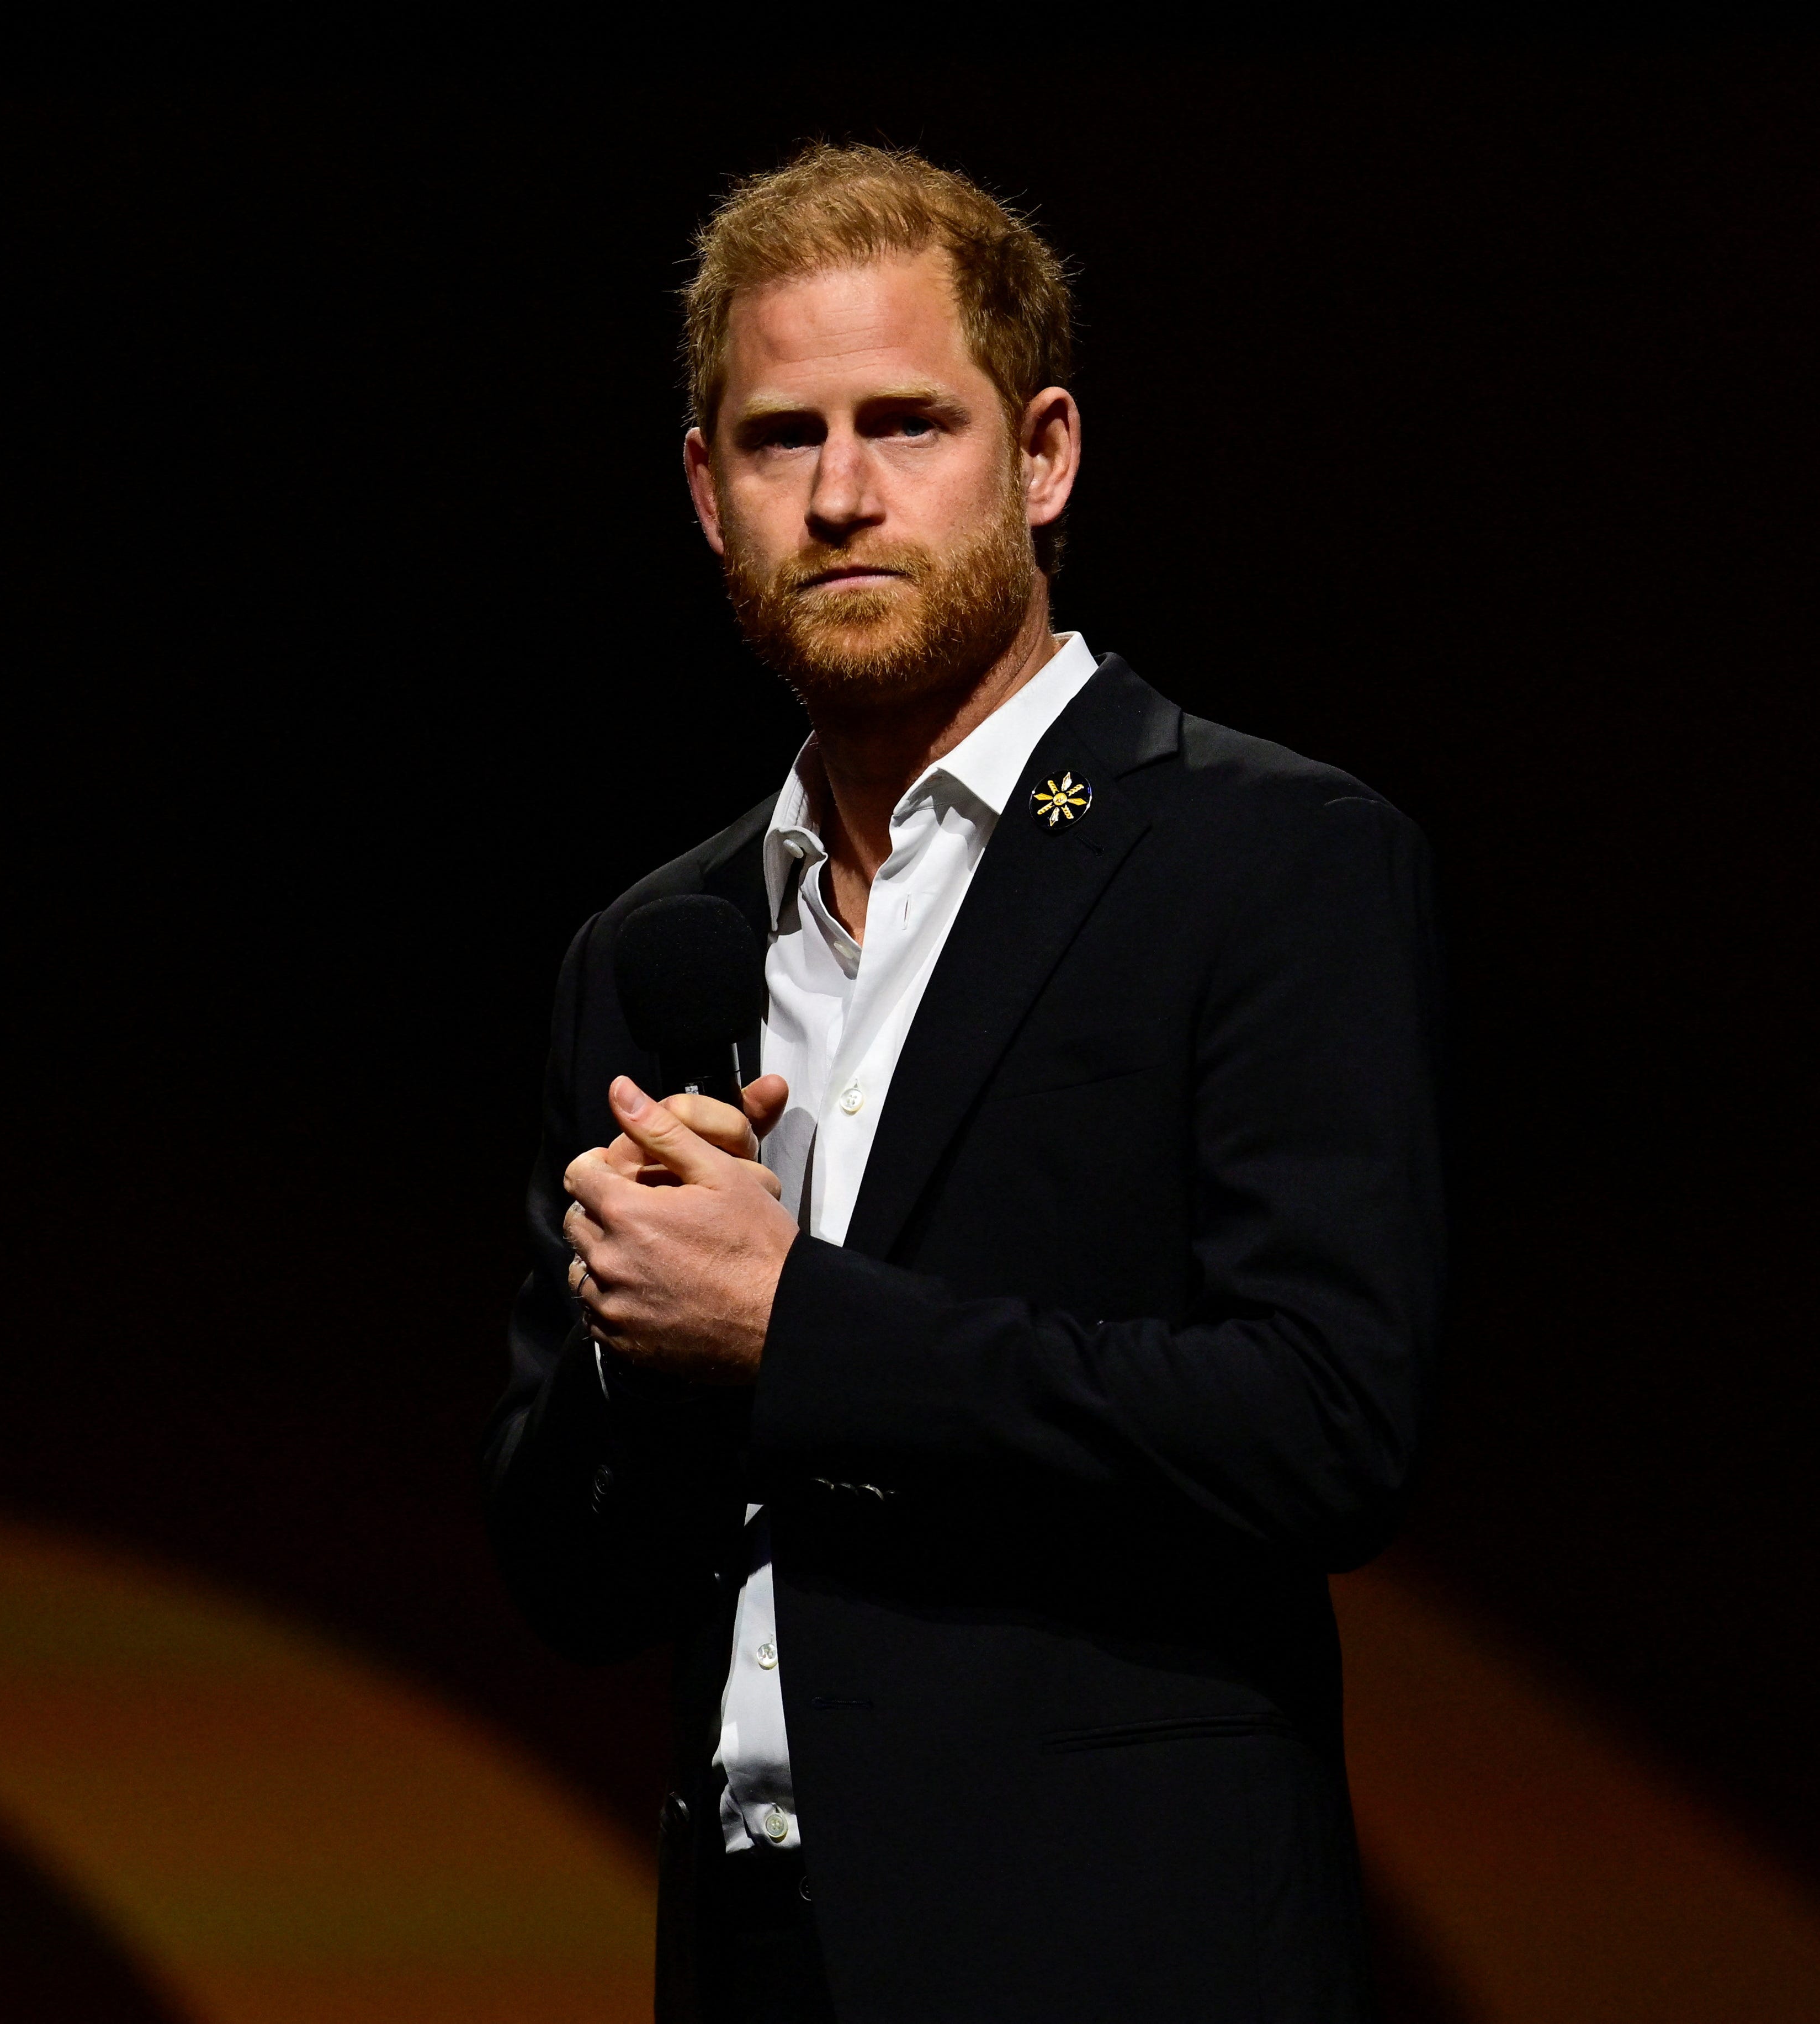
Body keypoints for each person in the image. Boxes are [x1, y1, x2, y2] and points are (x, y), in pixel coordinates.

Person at [482, 143, 1445, 2023]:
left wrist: (786, 1321)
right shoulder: (655, 947)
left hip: (1116, 1953)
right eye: (778, 440)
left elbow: (1327, 1421)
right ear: (705, 490)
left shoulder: (1259, 857)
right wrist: (636, 1358)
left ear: (1044, 453)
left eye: (907, 422)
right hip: (752, 1949)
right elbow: (567, 1576)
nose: (841, 494)